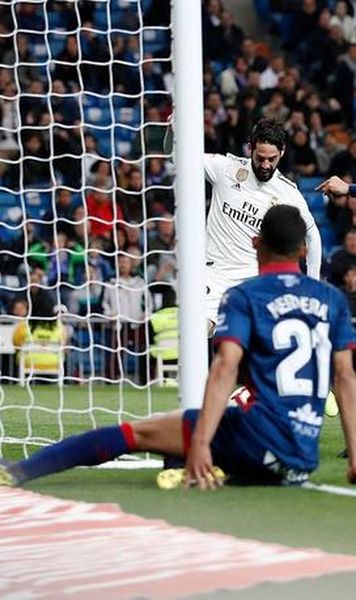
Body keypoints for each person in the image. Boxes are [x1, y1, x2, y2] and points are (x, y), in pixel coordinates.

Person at [0, 205, 355, 489]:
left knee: (136, 433)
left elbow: (224, 368)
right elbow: (345, 380)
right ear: (304, 250)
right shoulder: (332, 299)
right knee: (219, 415)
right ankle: (192, 463)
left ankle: (19, 470)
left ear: (255, 243)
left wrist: (201, 442)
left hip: (258, 440)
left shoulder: (245, 295)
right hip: (302, 457)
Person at [166, 117, 322, 335]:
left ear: (282, 153)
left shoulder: (289, 194)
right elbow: (176, 158)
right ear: (250, 148)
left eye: (272, 159)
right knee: (194, 334)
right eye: (260, 158)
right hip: (214, 274)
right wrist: (172, 133)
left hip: (255, 279)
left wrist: (313, 282)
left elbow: (312, 235)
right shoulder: (225, 169)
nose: (266, 165)